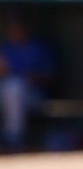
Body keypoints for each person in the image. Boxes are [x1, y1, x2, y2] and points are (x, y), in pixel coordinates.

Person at [0, 13, 55, 152]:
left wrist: (27, 76)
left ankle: (14, 138)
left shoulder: (38, 48)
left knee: (14, 87)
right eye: (12, 27)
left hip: (34, 96)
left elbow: (50, 77)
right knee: (10, 87)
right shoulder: (6, 49)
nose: (15, 31)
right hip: (7, 93)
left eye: (18, 27)